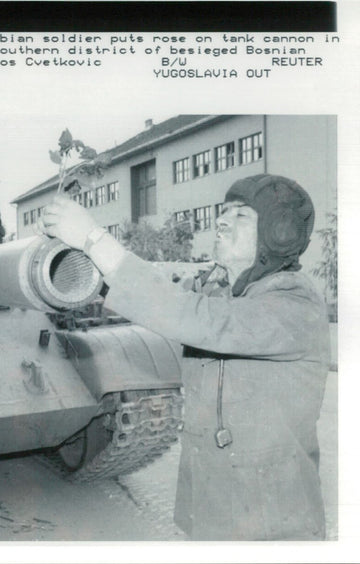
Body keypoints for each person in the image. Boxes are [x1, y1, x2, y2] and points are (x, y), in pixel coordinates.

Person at [39, 174, 329, 541]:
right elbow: (151, 288)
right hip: (214, 512)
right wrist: (67, 250)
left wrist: (93, 238)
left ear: (279, 233)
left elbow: (189, 314)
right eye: (223, 213)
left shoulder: (294, 304)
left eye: (241, 215)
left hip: (273, 521)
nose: (222, 220)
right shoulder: (222, 290)